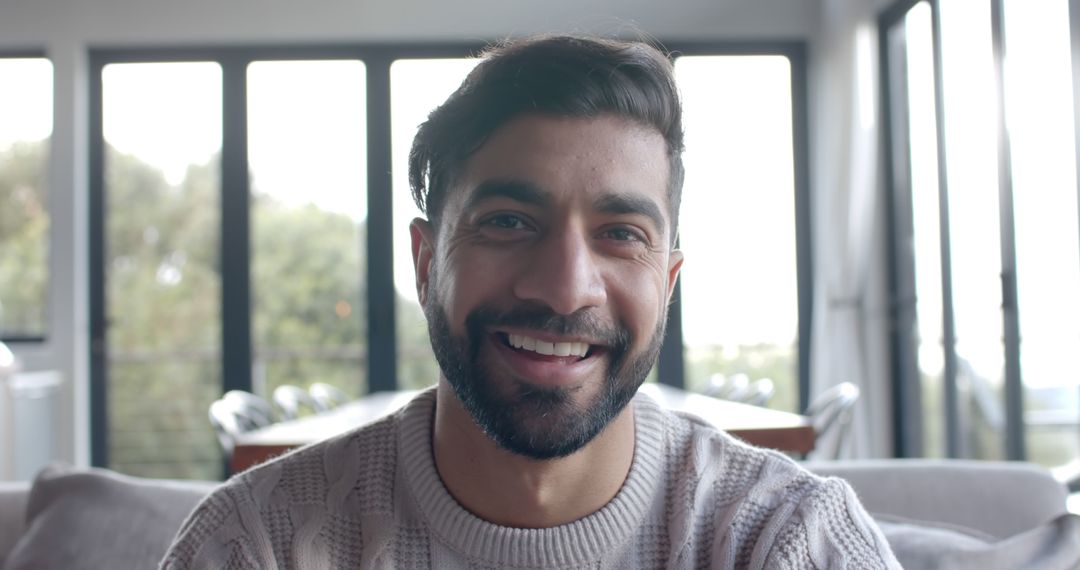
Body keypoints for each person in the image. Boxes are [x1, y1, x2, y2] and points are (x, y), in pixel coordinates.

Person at [161, 34, 899, 569]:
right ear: (425, 263)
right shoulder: (259, 542)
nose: (564, 286)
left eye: (620, 233)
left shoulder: (785, 540)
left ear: (667, 283)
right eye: (509, 223)